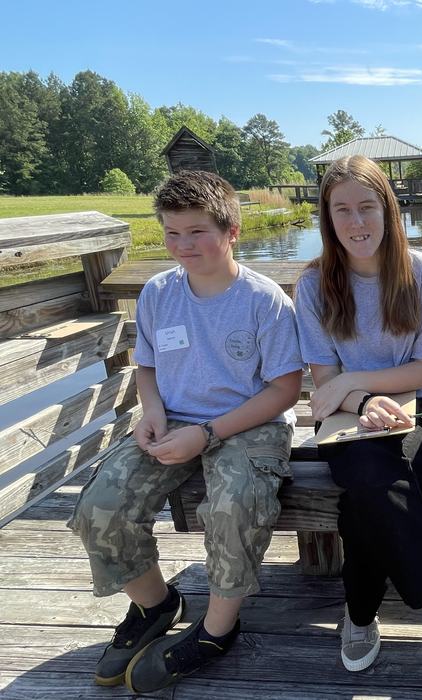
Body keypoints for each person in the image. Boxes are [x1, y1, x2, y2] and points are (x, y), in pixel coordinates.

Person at [69, 170, 304, 693]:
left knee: (232, 505)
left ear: (231, 231)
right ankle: (157, 605)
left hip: (250, 421)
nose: (182, 245)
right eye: (172, 233)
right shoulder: (157, 293)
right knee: (99, 504)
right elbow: (147, 366)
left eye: (196, 231)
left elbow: (284, 390)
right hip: (170, 421)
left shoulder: (264, 300)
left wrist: (207, 434)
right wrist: (148, 409)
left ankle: (218, 630)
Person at [293, 155, 422, 700]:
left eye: (367, 207)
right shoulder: (313, 285)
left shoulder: (421, 272)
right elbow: (325, 382)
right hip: (346, 414)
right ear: (327, 218)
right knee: (369, 474)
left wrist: (361, 385)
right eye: (342, 210)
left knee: (368, 498)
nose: (357, 222)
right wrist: (361, 397)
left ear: (389, 209)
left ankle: (359, 613)